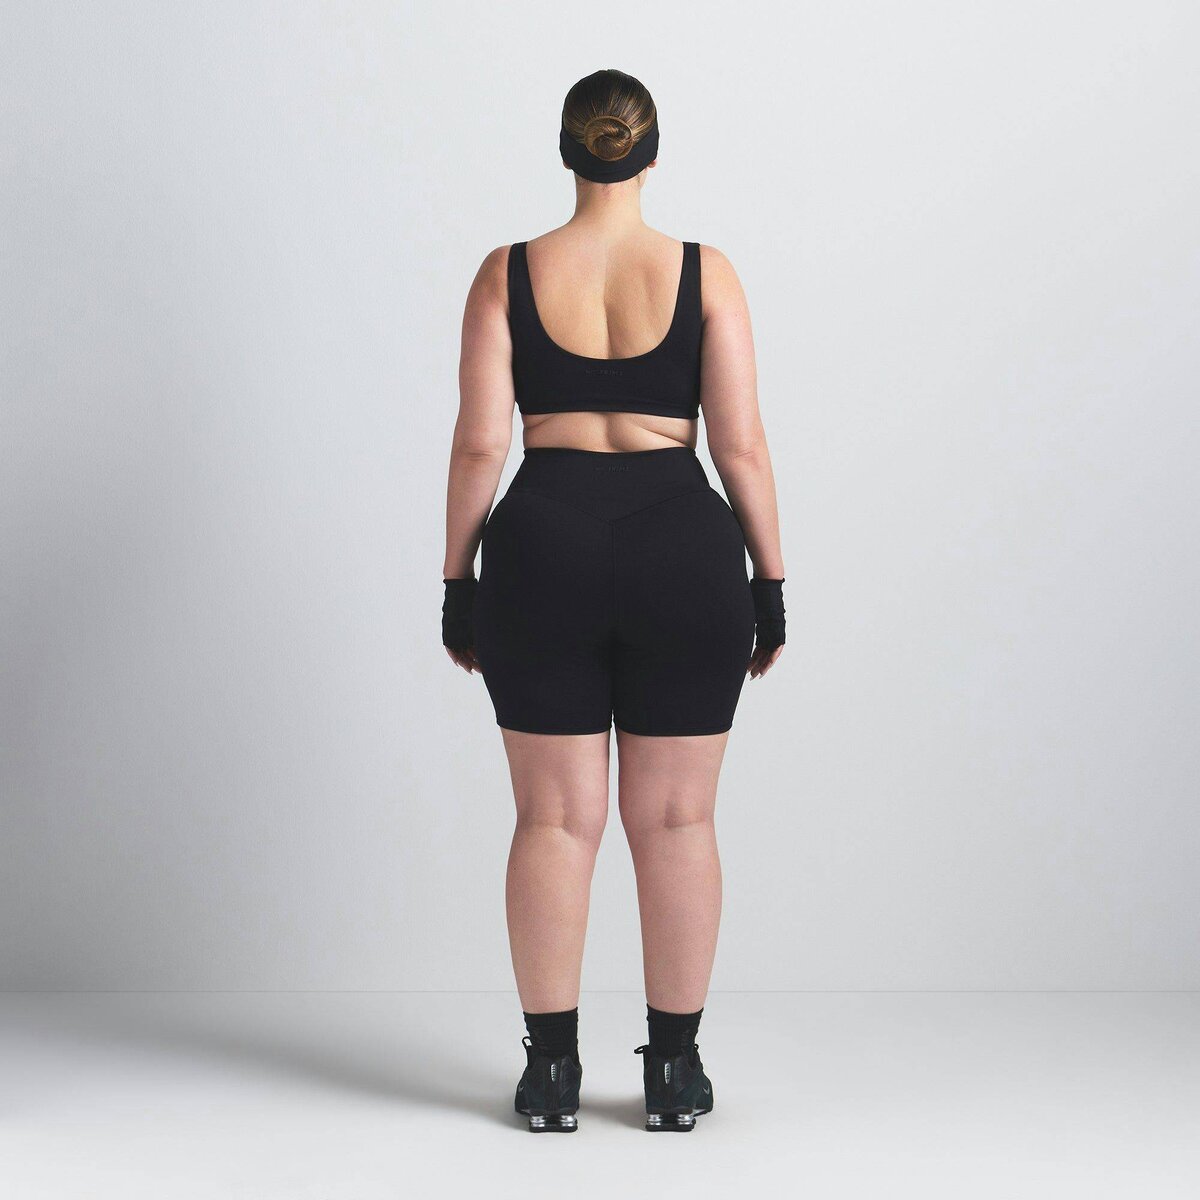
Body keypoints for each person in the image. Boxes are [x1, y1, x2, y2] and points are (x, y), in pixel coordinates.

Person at [442, 69, 785, 1133]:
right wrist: (770, 580)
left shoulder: (506, 273)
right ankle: (673, 1074)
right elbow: (740, 446)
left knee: (554, 819)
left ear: (565, 150)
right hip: (682, 547)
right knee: (678, 820)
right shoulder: (706, 273)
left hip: (542, 544)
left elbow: (481, 445)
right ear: (652, 153)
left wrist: (457, 580)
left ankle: (551, 1076)